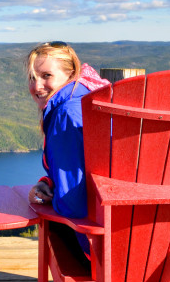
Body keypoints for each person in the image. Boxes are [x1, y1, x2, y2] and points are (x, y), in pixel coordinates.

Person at [25, 41, 110, 262]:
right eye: (33, 78)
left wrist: (50, 201)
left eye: (46, 75)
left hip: (99, 249)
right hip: (128, 237)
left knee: (48, 224)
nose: (37, 86)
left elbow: (73, 203)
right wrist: (49, 183)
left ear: (70, 73)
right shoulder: (91, 96)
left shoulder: (66, 115)